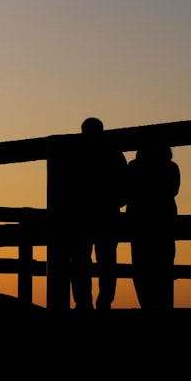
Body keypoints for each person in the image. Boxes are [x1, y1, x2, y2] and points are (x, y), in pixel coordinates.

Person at [65, 117, 128, 310]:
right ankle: (104, 301)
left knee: (80, 259)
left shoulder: (74, 153)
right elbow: (124, 186)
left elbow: (66, 184)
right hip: (106, 212)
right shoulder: (115, 153)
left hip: (81, 214)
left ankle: (84, 301)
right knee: (106, 259)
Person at [126, 144, 180, 310]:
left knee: (141, 267)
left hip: (139, 221)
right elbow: (173, 190)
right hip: (164, 220)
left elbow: (127, 190)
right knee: (163, 266)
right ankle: (163, 308)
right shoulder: (170, 167)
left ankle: (148, 307)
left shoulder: (134, 167)